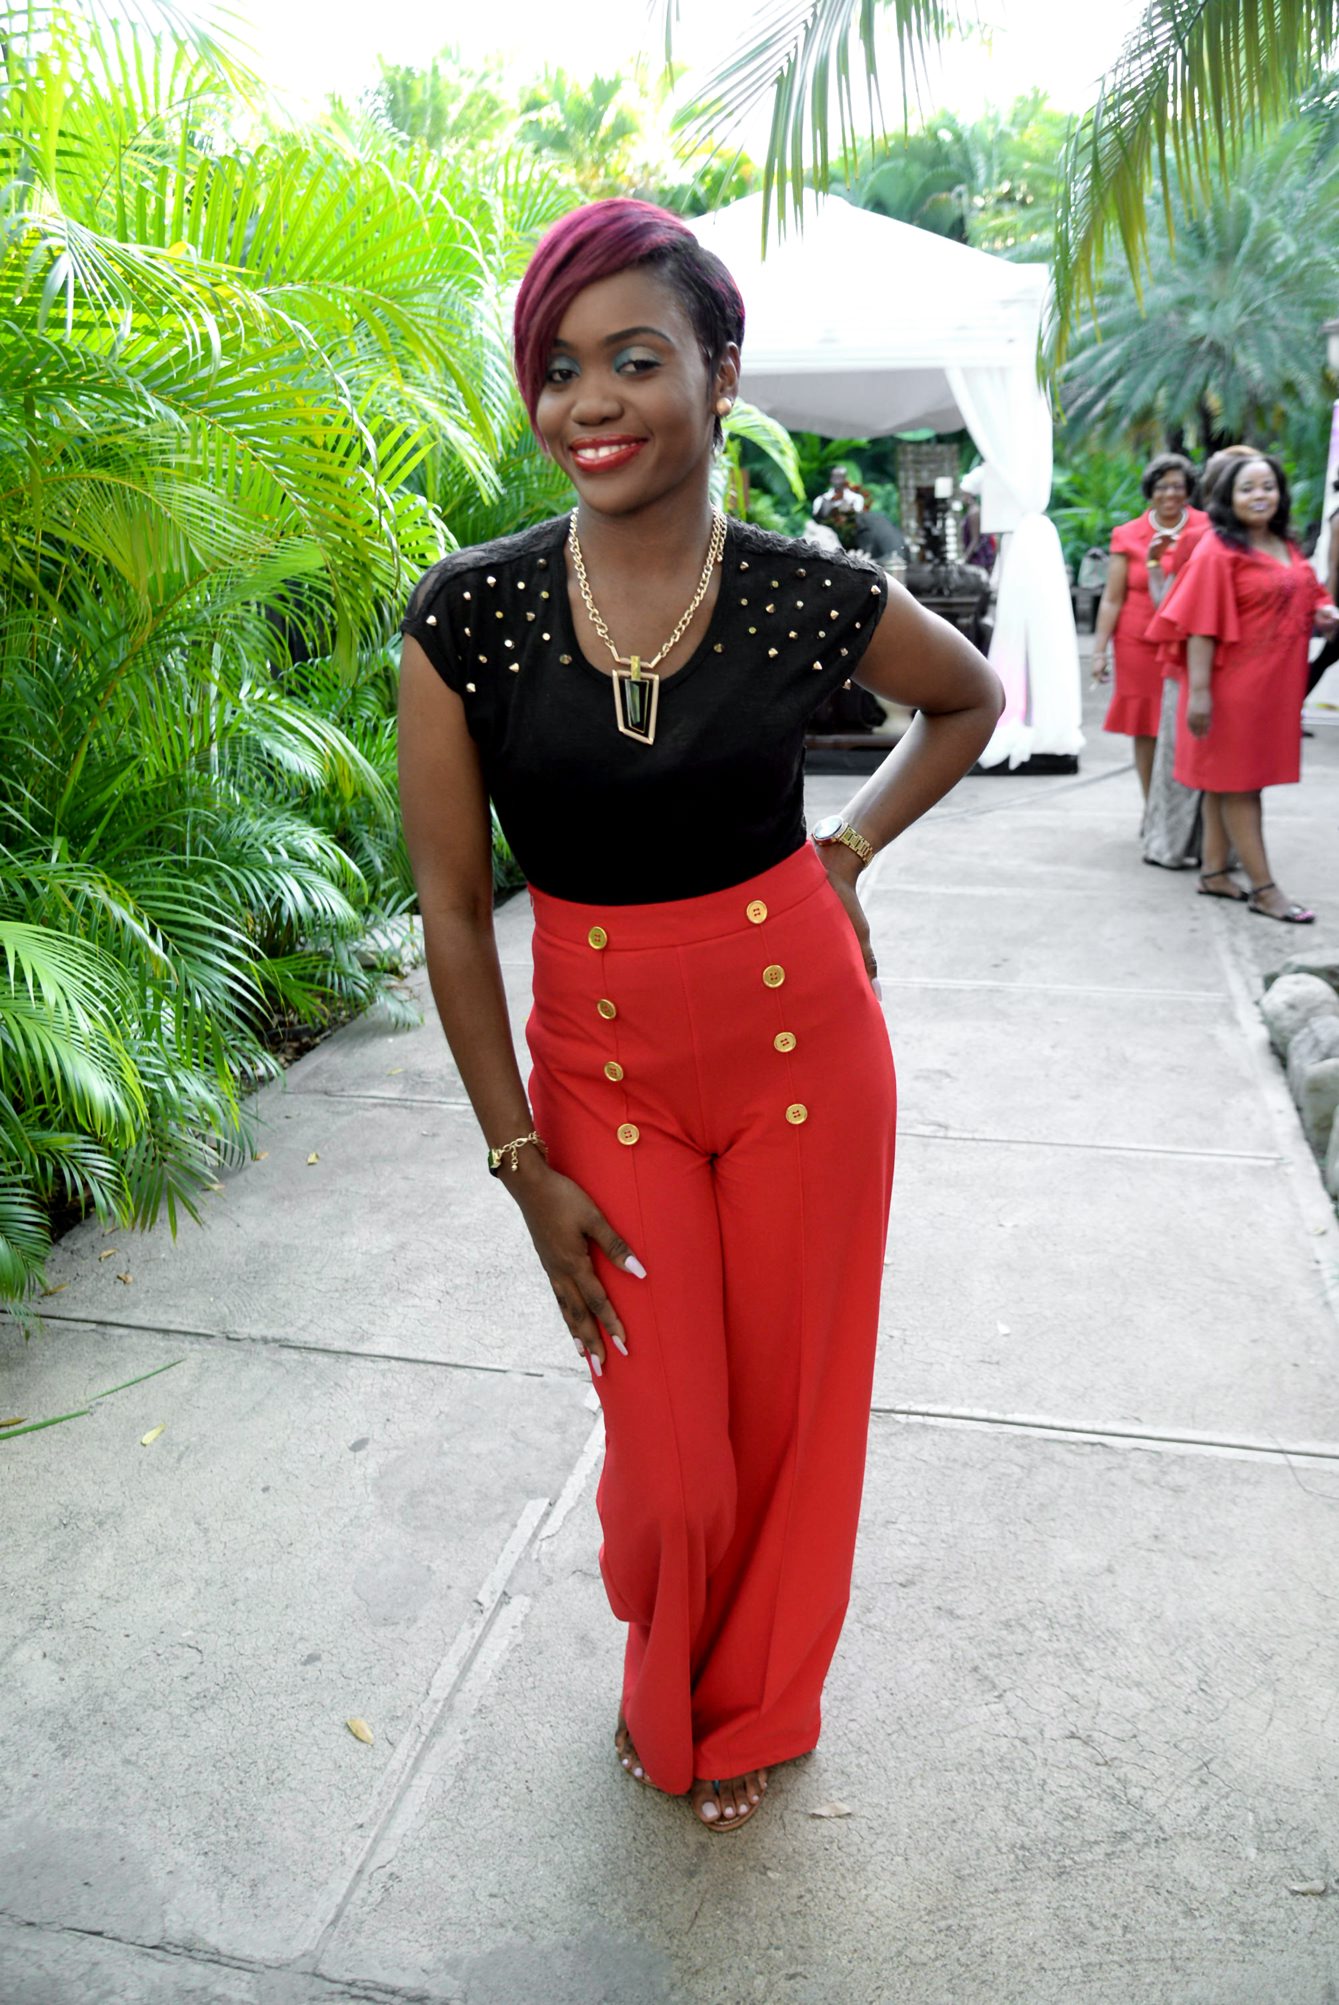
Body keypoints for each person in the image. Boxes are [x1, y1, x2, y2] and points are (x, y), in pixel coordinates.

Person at [397, 198, 1002, 1833]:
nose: (588, 402)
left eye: (633, 360)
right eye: (557, 368)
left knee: (792, 1410)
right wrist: (519, 1162)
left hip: (803, 1033)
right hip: (601, 1071)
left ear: (718, 374)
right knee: (670, 1455)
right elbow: (450, 909)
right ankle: (665, 1630)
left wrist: (847, 850)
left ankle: (743, 1704)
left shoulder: (803, 594)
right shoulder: (468, 618)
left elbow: (965, 699)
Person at [1147, 451, 1339, 921]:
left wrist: (1322, 610)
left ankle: (1214, 872)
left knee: (1225, 783)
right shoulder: (1217, 549)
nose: (1260, 496)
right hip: (1234, 688)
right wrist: (1200, 695)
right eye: (1248, 488)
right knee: (1242, 788)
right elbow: (1199, 626)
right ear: (1228, 497)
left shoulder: (1282, 542)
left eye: (1268, 487)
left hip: (1277, 686)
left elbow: (1304, 590)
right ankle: (1265, 890)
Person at [1141, 445, 1256, 871]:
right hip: (1192, 667)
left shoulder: (1254, 538)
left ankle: (1216, 850)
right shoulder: (1201, 538)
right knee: (1183, 762)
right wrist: (1155, 566)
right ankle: (1174, 845)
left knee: (1219, 764)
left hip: (1240, 669)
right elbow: (1171, 608)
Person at [1090, 455, 1208, 813]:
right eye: (1162, 487)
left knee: (1188, 724)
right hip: (1137, 644)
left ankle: (1186, 811)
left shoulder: (1206, 528)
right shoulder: (1128, 534)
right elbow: (1112, 598)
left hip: (1190, 644)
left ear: (1188, 489)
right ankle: (1152, 809)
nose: (1170, 494)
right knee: (1146, 728)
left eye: (1177, 486)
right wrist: (1099, 651)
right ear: (1150, 491)